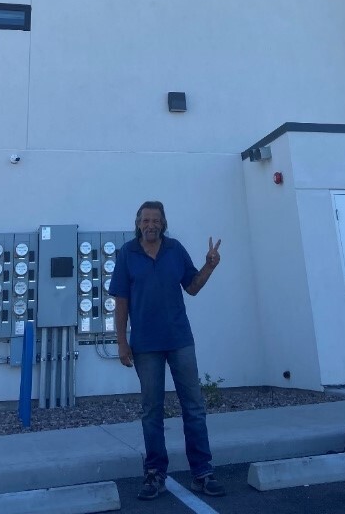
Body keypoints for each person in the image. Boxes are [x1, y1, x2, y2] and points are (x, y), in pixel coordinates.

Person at [109, 200, 225, 501]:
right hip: (145, 345)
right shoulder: (127, 254)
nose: (151, 225)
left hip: (179, 340)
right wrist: (121, 341)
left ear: (163, 224)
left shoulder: (175, 249)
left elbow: (192, 287)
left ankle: (202, 472)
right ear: (138, 224)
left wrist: (210, 265)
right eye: (146, 220)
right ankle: (154, 473)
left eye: (156, 220)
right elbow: (121, 301)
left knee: (194, 407)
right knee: (152, 411)